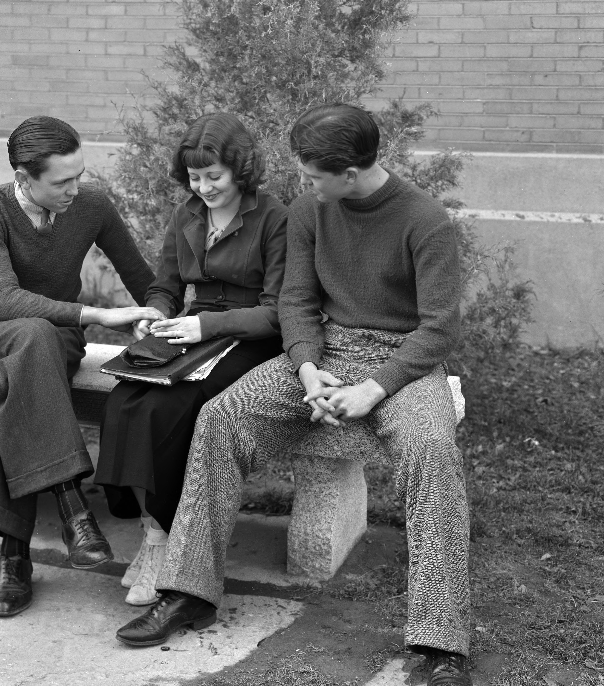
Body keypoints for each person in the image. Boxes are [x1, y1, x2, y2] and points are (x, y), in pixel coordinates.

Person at [115, 104, 473, 686]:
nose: (304, 185)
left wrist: (373, 389)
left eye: (312, 175)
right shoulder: (311, 210)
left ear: (349, 174)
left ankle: (441, 645)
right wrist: (307, 368)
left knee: (432, 453)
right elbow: (297, 302)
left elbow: (438, 329)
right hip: (324, 350)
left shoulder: (425, 221)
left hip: (405, 362)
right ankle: (189, 592)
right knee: (222, 417)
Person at [0, 115, 163, 618]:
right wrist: (101, 315)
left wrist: (156, 318)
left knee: (32, 363)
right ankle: (71, 505)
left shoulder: (90, 205)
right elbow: (4, 301)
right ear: (23, 178)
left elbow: (144, 279)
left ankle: (16, 554)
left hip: (55, 335)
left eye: (79, 175)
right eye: (62, 181)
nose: (75, 189)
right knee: (32, 338)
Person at [93, 112, 287, 606]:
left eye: (213, 176)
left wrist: (206, 326)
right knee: (123, 401)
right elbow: (166, 285)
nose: (203, 187)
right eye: (195, 177)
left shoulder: (274, 218)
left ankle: (164, 541)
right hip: (191, 332)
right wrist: (154, 315)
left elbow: (277, 312)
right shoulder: (186, 215)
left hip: (251, 338)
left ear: (241, 169)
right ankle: (152, 531)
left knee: (167, 410)